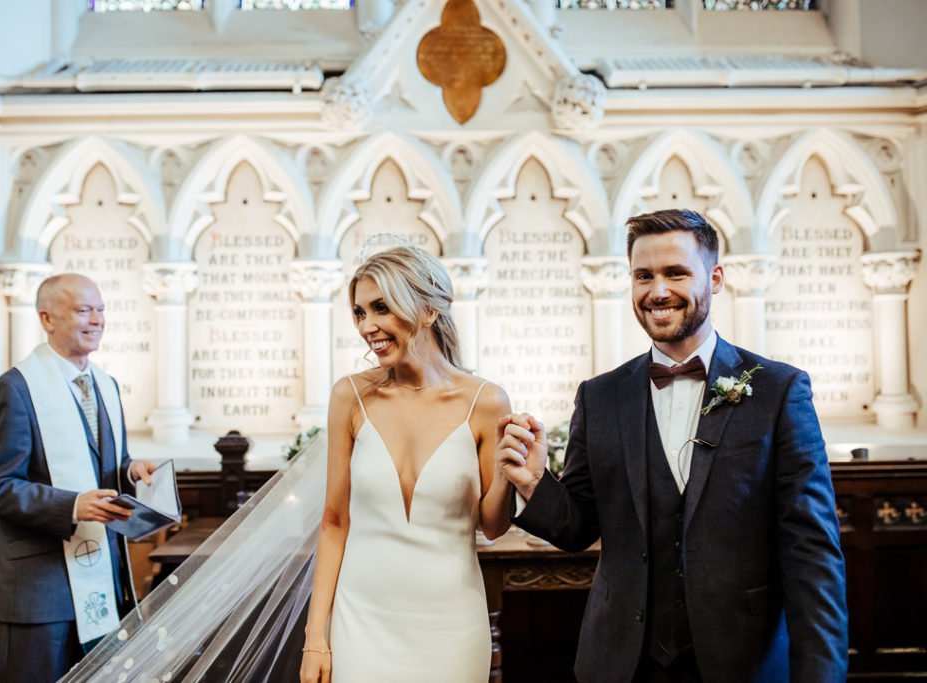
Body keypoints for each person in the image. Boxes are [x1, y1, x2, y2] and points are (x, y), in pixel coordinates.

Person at [497, 209, 848, 682]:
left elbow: (812, 551)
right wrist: (536, 482)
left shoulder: (778, 391)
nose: (657, 291)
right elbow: (578, 527)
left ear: (715, 278)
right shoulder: (600, 396)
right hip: (622, 661)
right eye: (644, 275)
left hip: (742, 660)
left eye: (676, 273)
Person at [299, 240, 514, 683]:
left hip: (451, 624)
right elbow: (334, 521)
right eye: (360, 312)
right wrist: (315, 636)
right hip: (361, 618)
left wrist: (512, 471)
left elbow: (492, 525)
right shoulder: (350, 396)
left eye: (381, 307)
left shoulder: (486, 402)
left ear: (429, 309)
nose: (367, 326)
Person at [0, 273, 157, 683]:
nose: (97, 320)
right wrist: (72, 505)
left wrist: (130, 469)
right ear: (47, 318)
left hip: (102, 580)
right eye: (83, 310)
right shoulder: (15, 389)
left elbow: (107, 462)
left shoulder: (105, 385)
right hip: (41, 590)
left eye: (101, 309)